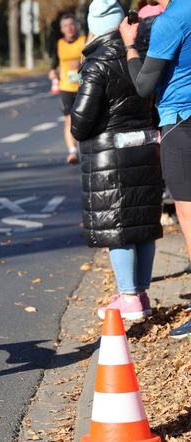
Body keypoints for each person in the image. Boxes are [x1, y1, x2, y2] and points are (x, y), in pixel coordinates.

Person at [70, 0, 163, 320]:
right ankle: (141, 293)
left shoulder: (97, 63)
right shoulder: (140, 52)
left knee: (119, 226)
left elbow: (81, 121)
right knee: (143, 224)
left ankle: (128, 297)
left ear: (95, 25)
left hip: (110, 154)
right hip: (146, 146)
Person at [119, 0, 191, 337]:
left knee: (189, 218)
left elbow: (144, 85)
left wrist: (130, 45)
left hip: (181, 123)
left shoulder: (171, 21)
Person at [49, 13, 86, 164]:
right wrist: (52, 73)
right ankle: (72, 151)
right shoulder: (59, 44)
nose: (69, 28)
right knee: (69, 120)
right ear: (61, 29)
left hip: (84, 85)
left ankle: (86, 147)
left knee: (86, 118)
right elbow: (53, 65)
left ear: (76, 26)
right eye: (65, 26)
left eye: (71, 24)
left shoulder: (84, 41)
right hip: (66, 87)